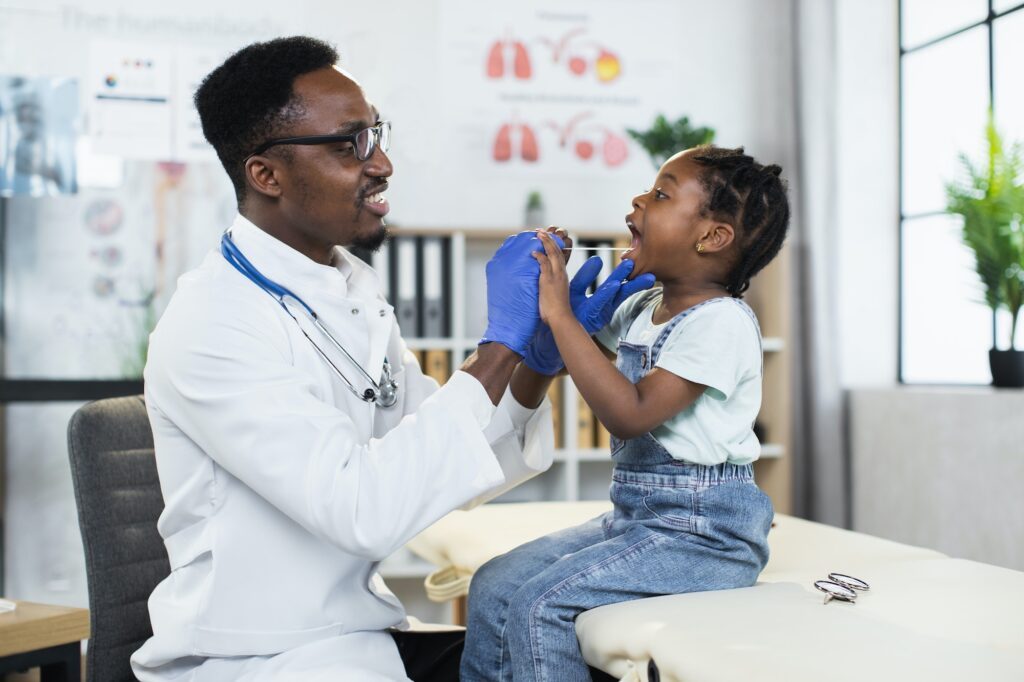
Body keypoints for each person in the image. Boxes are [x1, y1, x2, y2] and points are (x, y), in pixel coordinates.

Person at [132, 36, 651, 682]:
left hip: (352, 637)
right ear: (266, 174)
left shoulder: (349, 287)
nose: (382, 164)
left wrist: (536, 363)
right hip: (259, 657)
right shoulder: (215, 323)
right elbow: (364, 511)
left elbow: (439, 460)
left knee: (587, 665)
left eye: (375, 133)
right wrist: (498, 347)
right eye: (350, 144)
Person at [460, 146, 791, 682]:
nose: (638, 200)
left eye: (661, 194)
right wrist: (548, 325)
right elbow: (580, 361)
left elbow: (631, 414)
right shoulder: (642, 306)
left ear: (712, 237)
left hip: (704, 533)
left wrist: (560, 315)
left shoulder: (721, 323)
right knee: (495, 583)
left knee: (541, 606)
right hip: (639, 516)